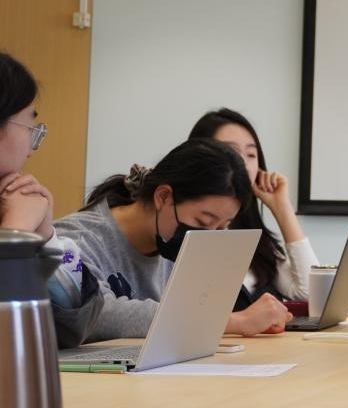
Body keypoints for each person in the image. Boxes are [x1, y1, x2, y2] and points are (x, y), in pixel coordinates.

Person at [54, 138, 293, 342]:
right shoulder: (70, 240)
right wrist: (231, 322)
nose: (209, 236)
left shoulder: (174, 246)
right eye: (203, 221)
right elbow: (95, 313)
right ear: (163, 197)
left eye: (221, 227)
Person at [0, 51, 103, 347]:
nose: (32, 149)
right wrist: (15, 233)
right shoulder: (15, 214)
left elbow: (79, 325)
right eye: (29, 128)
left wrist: (48, 239)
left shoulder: (11, 200)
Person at [189, 108, 318, 308]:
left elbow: (312, 293)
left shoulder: (258, 240)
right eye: (232, 152)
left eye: (251, 154)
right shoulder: (185, 226)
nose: (243, 162)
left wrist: (282, 207)